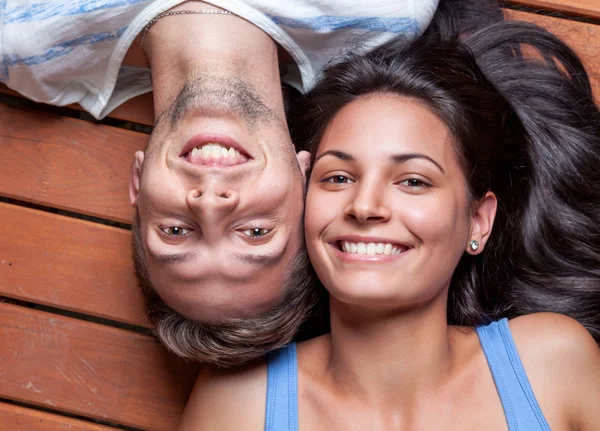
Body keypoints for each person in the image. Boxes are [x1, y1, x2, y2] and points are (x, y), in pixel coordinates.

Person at [178, 16, 600, 430]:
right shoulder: (237, 404)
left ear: (477, 221)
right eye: (338, 178)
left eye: (413, 181)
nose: (364, 206)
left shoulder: (552, 365)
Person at [0, 0, 441, 365]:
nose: (210, 201)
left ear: (137, 183)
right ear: (305, 180)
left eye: (175, 232)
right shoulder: (385, 12)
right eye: (256, 232)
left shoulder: (19, 46)